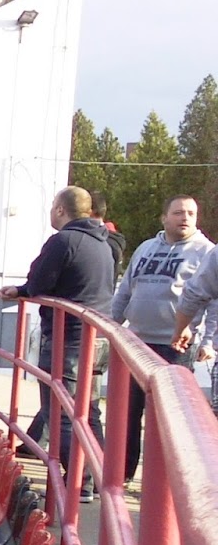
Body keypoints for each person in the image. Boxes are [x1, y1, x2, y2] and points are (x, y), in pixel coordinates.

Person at [1, 186, 116, 501]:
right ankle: (98, 479)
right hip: (97, 337)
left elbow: (40, 282)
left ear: (62, 210)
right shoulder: (103, 243)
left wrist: (23, 289)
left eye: (53, 205)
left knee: (62, 413)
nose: (51, 210)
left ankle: (79, 483)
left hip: (69, 339)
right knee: (89, 411)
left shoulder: (63, 241)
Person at [111, 195, 214, 480]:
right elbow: (125, 291)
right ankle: (122, 475)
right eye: (178, 212)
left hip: (175, 346)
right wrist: (109, 327)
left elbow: (214, 301)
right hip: (136, 341)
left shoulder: (206, 252)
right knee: (127, 413)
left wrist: (209, 341)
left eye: (191, 213)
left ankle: (166, 482)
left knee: (169, 419)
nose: (185, 218)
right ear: (164, 218)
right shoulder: (146, 247)